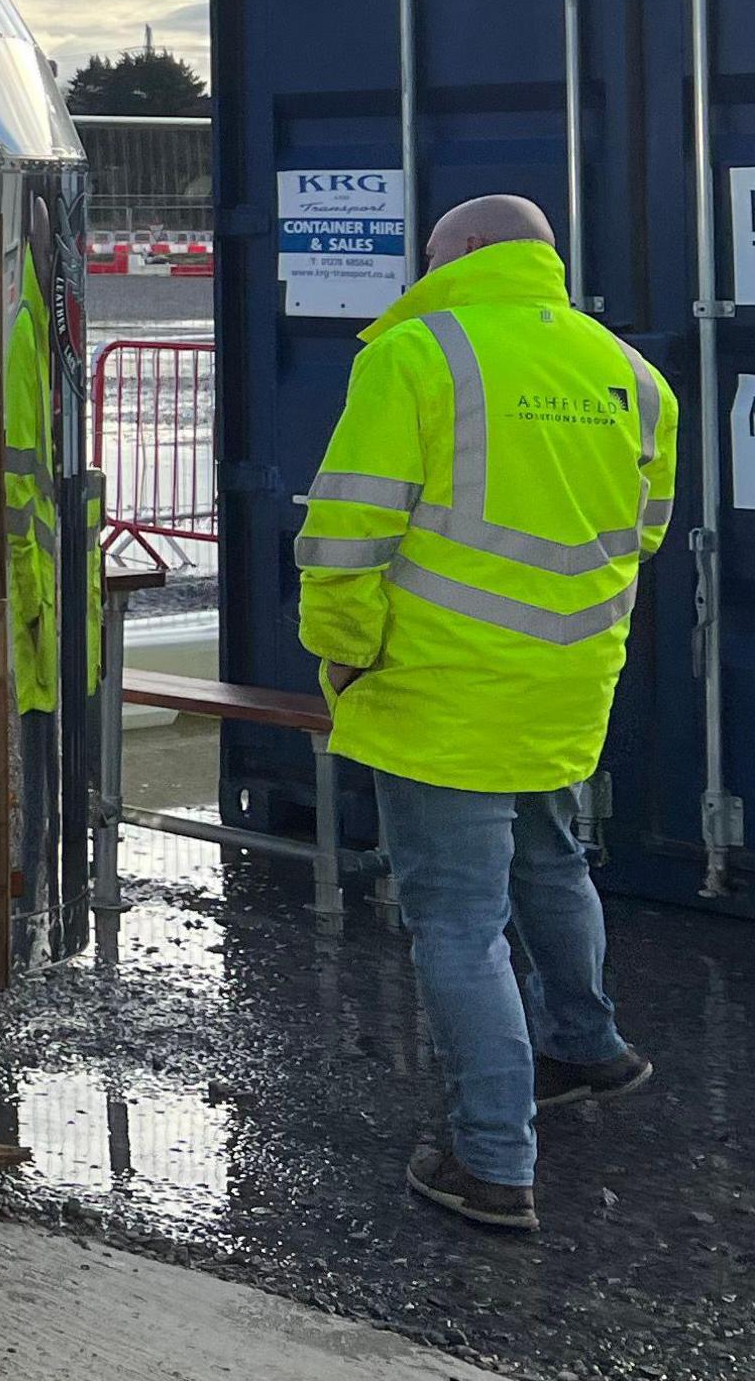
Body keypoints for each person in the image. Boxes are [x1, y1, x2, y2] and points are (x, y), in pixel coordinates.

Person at [297, 192, 671, 1232]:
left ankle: (493, 1160)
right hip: (565, 680)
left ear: (459, 253)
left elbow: (348, 532)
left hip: (441, 687)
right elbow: (643, 529)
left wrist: (342, 652)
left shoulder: (417, 354)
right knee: (552, 862)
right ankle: (589, 1049)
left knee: (458, 924)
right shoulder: (629, 372)